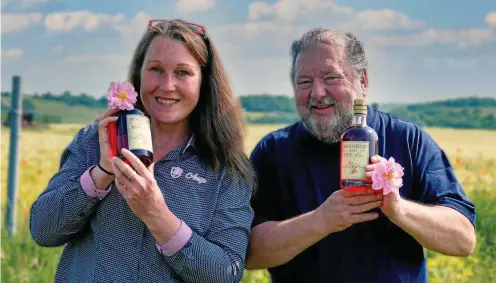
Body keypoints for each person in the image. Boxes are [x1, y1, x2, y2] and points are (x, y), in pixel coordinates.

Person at [30, 19, 255, 283]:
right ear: (139, 74)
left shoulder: (226, 168)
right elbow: (42, 230)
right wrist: (101, 173)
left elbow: (226, 273)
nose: (167, 85)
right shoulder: (95, 140)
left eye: (183, 72)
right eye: (156, 69)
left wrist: (157, 214)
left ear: (204, 82)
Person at [245, 28, 476, 283]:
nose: (318, 93)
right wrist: (321, 220)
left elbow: (463, 240)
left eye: (331, 78)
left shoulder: (407, 139)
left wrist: (399, 210)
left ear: (362, 81)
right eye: (304, 82)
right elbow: (248, 253)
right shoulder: (274, 151)